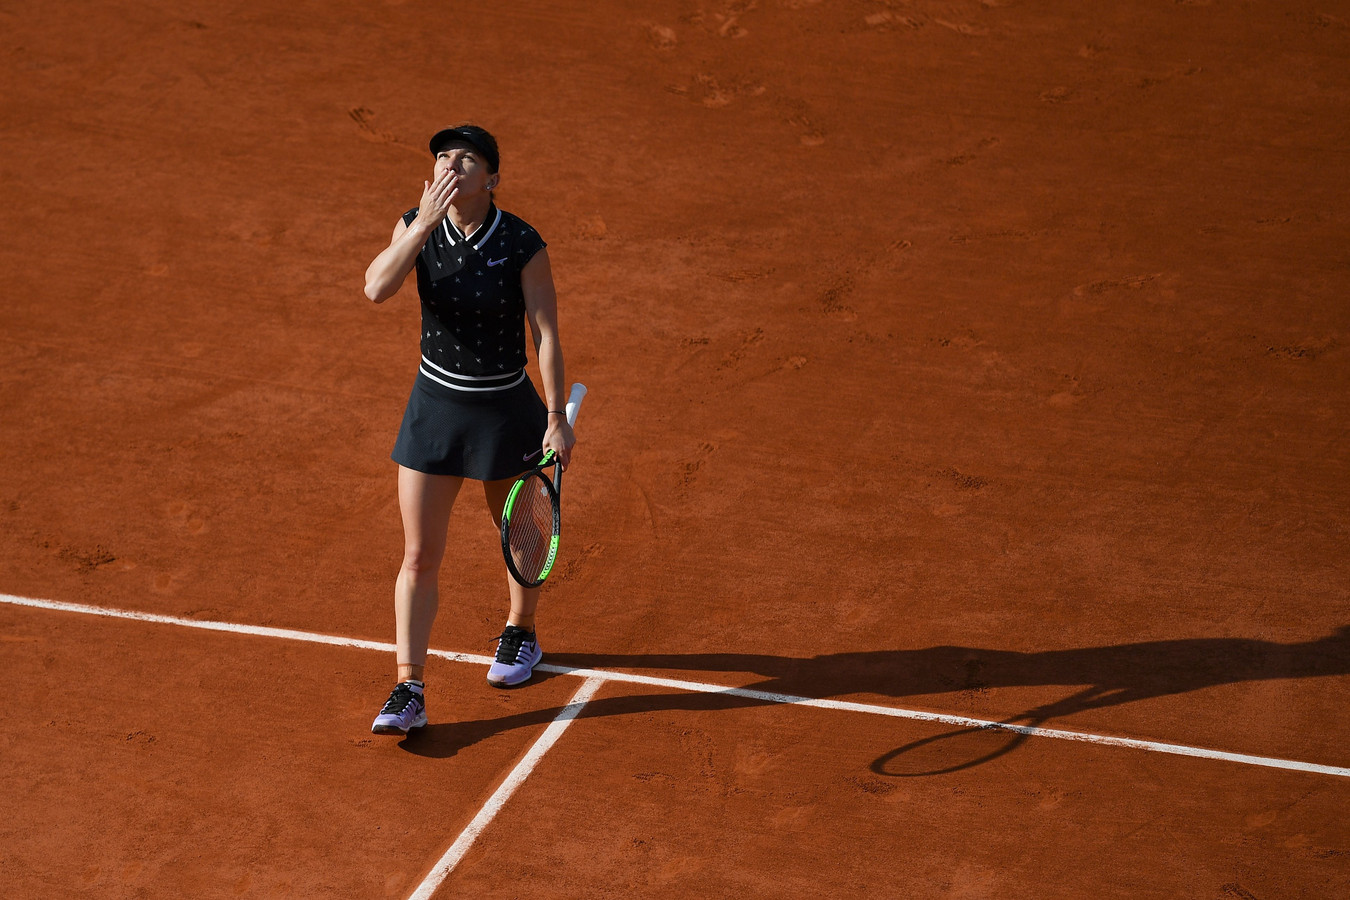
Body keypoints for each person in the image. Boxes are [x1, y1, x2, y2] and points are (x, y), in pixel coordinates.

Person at [362, 124, 575, 736]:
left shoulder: (522, 242)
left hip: (505, 410)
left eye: (467, 159)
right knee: (419, 553)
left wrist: (556, 417)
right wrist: (422, 227)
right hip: (435, 410)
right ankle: (409, 687)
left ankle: (521, 632)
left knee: (519, 534)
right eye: (442, 160)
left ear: (493, 179)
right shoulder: (415, 225)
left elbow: (547, 336)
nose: (451, 167)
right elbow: (377, 289)